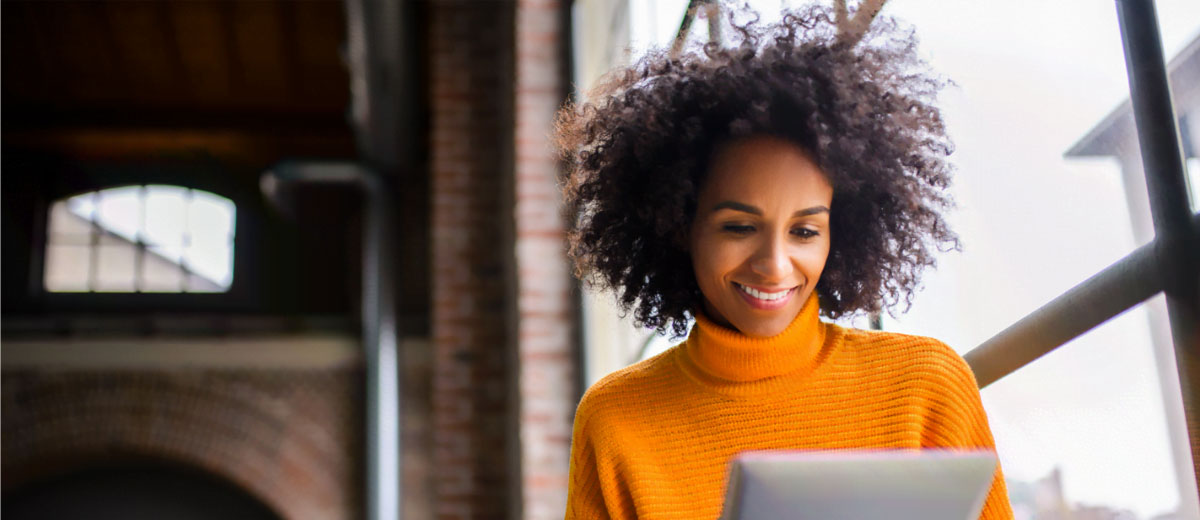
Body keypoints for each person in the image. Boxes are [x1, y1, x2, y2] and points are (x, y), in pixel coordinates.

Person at [553, 3, 1014, 519]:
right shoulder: (617, 418)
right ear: (677, 226)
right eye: (739, 227)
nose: (774, 265)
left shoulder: (926, 385)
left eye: (804, 231)